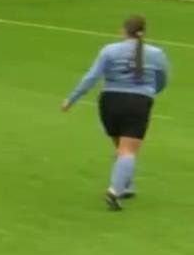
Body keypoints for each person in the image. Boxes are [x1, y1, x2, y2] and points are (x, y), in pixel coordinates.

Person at [62, 15, 170, 211]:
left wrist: (72, 98)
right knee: (128, 150)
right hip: (138, 102)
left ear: (123, 31)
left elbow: (92, 76)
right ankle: (115, 191)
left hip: (110, 100)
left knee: (121, 147)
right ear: (144, 32)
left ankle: (127, 186)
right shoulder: (156, 53)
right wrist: (150, 91)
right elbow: (162, 79)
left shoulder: (109, 50)